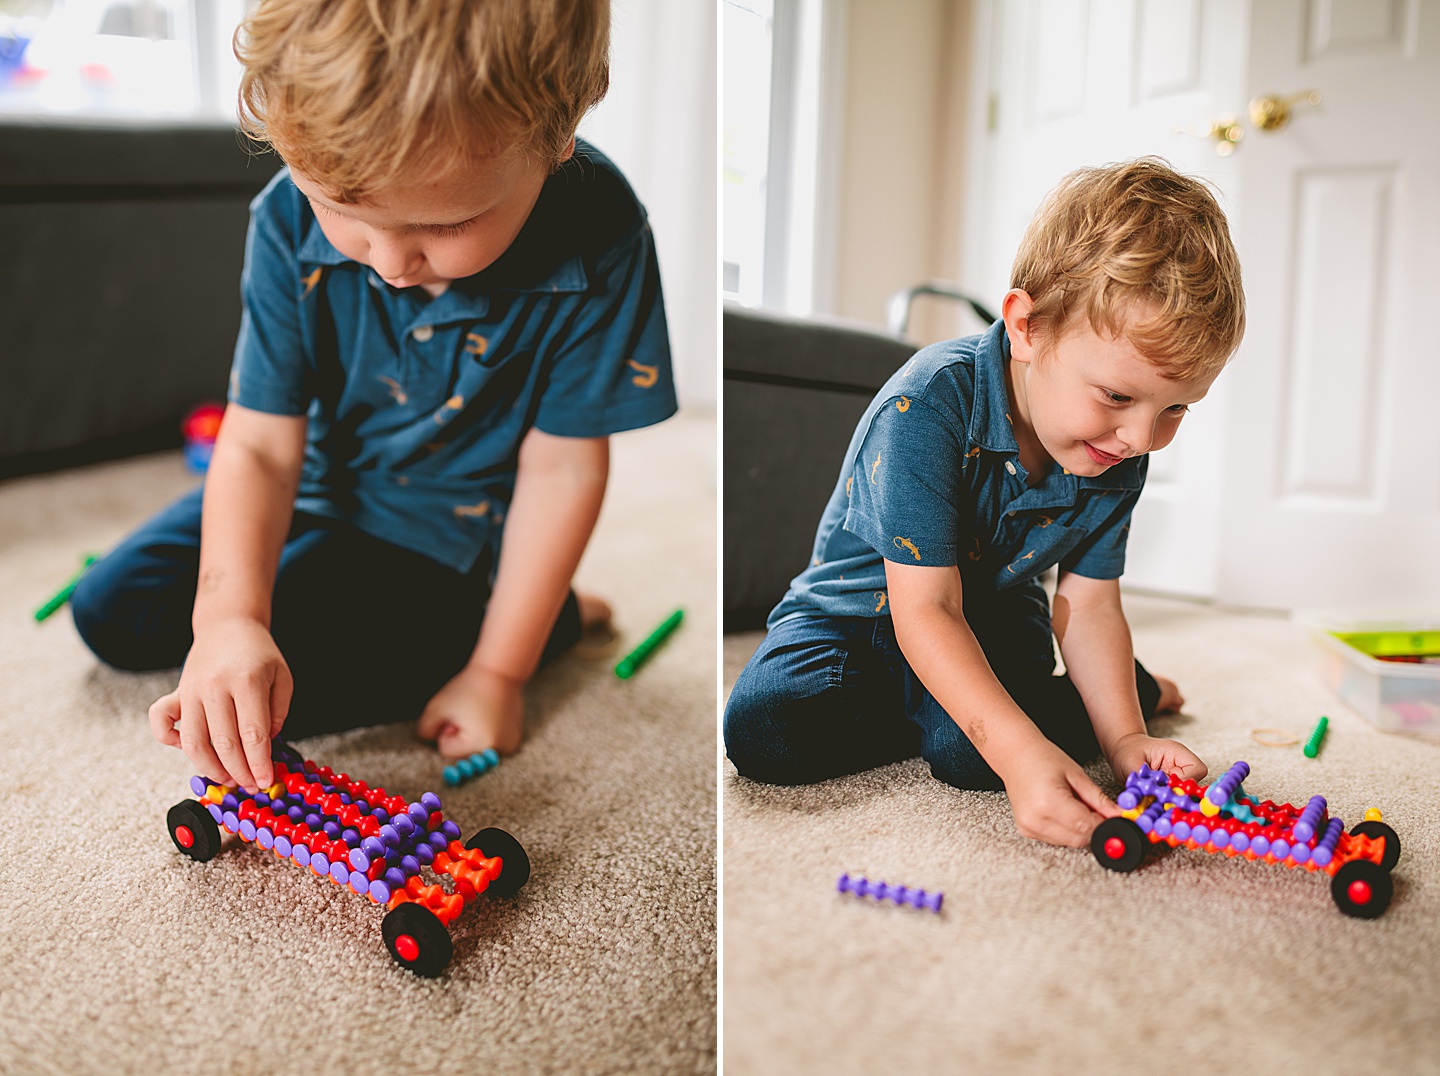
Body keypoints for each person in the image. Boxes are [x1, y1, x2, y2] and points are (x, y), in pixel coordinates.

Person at [69, 0, 675, 795]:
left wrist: (498, 673)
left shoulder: (604, 234)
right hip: (318, 485)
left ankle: (549, 617)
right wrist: (228, 622)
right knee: (111, 612)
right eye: (343, 214)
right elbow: (257, 445)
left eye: (447, 222)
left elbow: (562, 469)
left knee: (287, 694)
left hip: (447, 538)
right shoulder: (285, 216)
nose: (390, 263)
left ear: (555, 139)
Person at [723, 158, 1245, 848]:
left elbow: (1088, 603)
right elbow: (926, 608)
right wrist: (1018, 744)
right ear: (1026, 328)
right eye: (1117, 396)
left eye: (1177, 407)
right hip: (858, 613)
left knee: (973, 757)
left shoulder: (1120, 448)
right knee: (763, 729)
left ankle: (1063, 707)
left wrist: (1125, 739)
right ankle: (986, 712)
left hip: (993, 618)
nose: (1143, 437)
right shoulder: (927, 402)